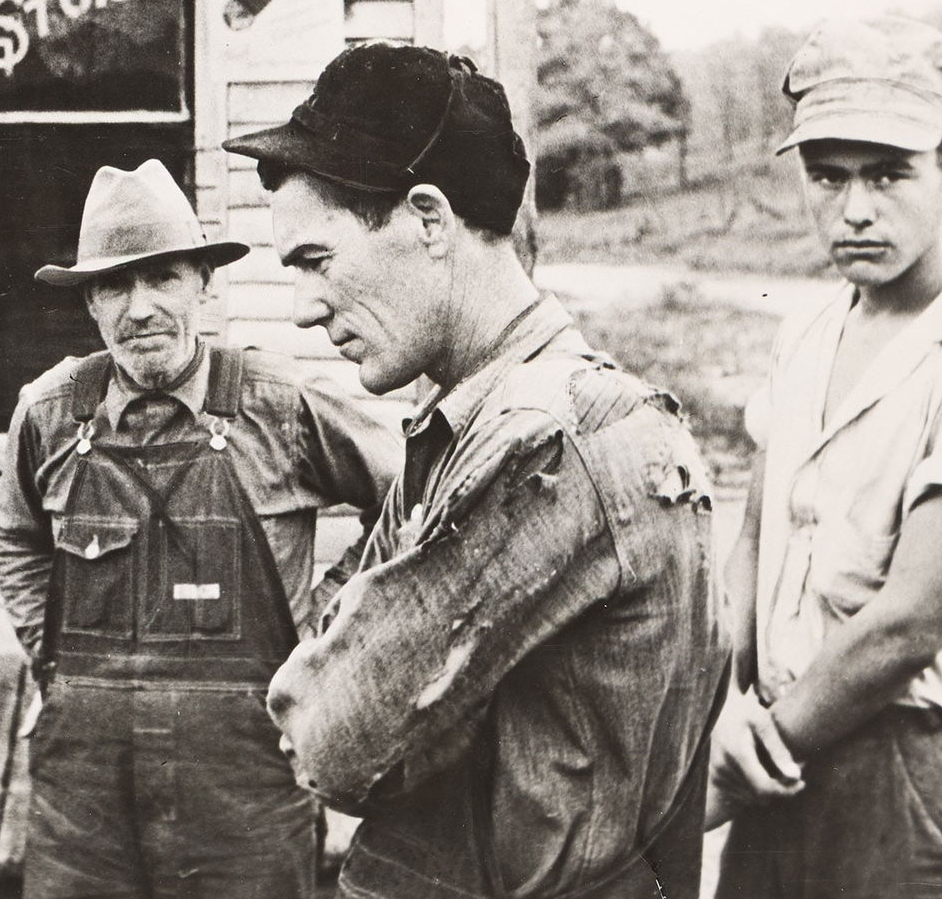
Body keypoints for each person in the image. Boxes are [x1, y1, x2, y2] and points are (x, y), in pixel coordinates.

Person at [223, 43, 728, 899]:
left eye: (316, 261)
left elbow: (331, 737)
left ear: (428, 218)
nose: (304, 309)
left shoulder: (546, 440)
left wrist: (370, 672)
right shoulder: (470, 419)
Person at [0, 158, 400, 899]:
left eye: (162, 277)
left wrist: (326, 632)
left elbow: (411, 490)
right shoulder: (49, 412)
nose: (138, 307)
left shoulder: (279, 402)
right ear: (89, 303)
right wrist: (47, 654)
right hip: (83, 787)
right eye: (113, 285)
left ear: (204, 286)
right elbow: (16, 538)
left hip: (243, 779)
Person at [708, 16, 942, 897]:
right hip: (788, 764)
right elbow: (754, 545)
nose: (855, 209)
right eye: (828, 177)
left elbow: (907, 624)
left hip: (916, 784)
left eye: (889, 174)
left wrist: (738, 764)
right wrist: (716, 711)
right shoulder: (806, 333)